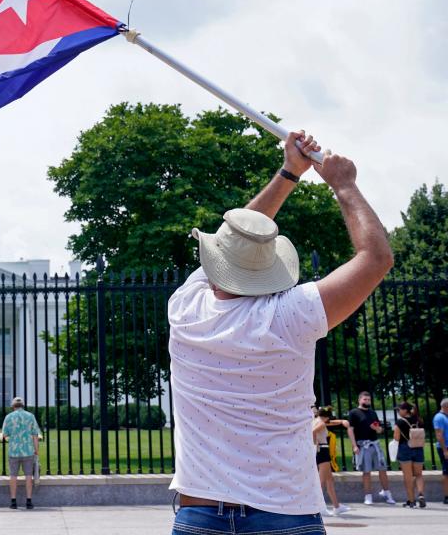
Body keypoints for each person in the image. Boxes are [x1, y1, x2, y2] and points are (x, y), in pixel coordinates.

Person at [167, 132, 394, 535]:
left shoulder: (185, 309)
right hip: (286, 512)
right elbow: (376, 258)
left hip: (199, 512)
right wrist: (344, 185)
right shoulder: (293, 313)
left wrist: (289, 173)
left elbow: (235, 241)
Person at [348, 391, 396, 504]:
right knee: (366, 471)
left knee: (383, 469)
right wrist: (354, 446)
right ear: (359, 400)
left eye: (369, 400)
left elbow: (379, 429)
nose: (367, 401)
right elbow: (350, 429)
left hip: (375, 444)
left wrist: (377, 429)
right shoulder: (354, 413)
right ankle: (368, 496)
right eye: (365, 399)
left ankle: (386, 492)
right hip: (363, 445)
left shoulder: (373, 413)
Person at [1, 396, 41, 510]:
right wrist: (36, 450)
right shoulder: (30, 416)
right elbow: (35, 435)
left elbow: (4, 434)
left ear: (13, 406)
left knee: (13, 475)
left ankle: (13, 501)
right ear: (23, 405)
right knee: (29, 476)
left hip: (14, 451)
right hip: (28, 450)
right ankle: (29, 501)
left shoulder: (9, 417)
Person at [312, 407, 351, 516]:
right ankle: (319, 508)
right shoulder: (321, 423)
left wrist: (342, 421)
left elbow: (330, 423)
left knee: (329, 479)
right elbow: (313, 432)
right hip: (322, 450)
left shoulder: (316, 420)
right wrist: (315, 445)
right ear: (327, 416)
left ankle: (336, 506)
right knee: (321, 481)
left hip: (321, 451)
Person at [393, 401, 426, 508]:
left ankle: (411, 501)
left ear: (405, 410)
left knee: (408, 477)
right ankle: (421, 494)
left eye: (399, 410)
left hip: (405, 448)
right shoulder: (419, 420)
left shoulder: (400, 422)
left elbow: (396, 438)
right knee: (419, 474)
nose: (398, 412)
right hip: (418, 448)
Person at [435, 398, 448, 504]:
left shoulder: (445, 417)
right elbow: (439, 435)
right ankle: (447, 496)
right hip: (445, 447)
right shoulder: (439, 418)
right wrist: (445, 450)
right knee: (447, 472)